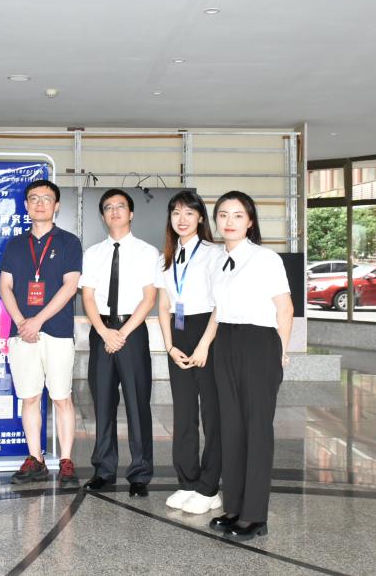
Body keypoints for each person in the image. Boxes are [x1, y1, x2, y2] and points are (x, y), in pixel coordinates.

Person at [203, 191, 293, 541]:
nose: (229, 221)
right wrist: (206, 345)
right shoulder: (218, 260)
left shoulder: (265, 258)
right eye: (223, 215)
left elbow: (284, 309)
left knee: (257, 429)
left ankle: (255, 515)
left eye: (238, 215)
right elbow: (218, 310)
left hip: (259, 343)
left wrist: (280, 353)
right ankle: (234, 507)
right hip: (226, 341)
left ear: (250, 221)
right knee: (231, 427)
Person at [0, 179, 83, 488]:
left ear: (56, 206)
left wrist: (38, 321)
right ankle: (35, 459)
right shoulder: (15, 244)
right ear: (26, 205)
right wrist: (23, 321)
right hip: (22, 333)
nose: (39, 204)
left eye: (46, 199)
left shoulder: (69, 242)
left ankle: (66, 461)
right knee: (30, 397)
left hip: (57, 331)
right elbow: (5, 287)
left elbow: (70, 287)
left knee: (61, 397)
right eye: (33, 198)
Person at [80, 189, 159, 497]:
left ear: (131, 213)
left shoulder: (147, 252)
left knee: (138, 403)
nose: (114, 211)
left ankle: (140, 473)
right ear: (103, 216)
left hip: (132, 332)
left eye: (120, 206)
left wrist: (122, 333)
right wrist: (104, 331)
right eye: (108, 207)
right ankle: (104, 469)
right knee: (102, 402)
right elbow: (88, 297)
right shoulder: (93, 253)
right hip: (101, 331)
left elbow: (149, 298)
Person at [155, 190, 224, 514]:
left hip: (208, 332)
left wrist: (204, 345)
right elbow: (164, 305)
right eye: (176, 213)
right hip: (178, 334)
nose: (181, 220)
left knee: (212, 414)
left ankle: (209, 488)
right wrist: (170, 345)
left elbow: (221, 304)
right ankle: (187, 481)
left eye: (188, 213)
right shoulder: (165, 258)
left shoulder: (214, 253)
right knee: (183, 414)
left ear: (200, 218)